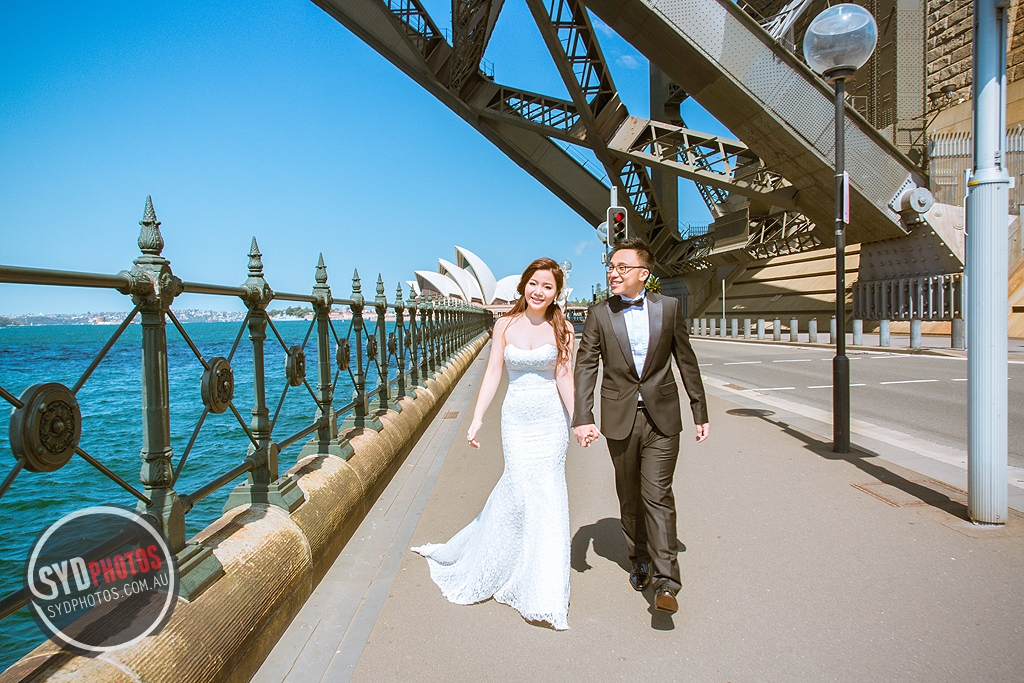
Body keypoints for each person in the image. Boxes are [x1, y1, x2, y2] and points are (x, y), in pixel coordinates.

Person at [412, 258, 575, 630]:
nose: (539, 291)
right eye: (534, 283)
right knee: (517, 490)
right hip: (516, 420)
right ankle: (502, 561)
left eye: (548, 286)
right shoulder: (504, 325)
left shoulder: (562, 327)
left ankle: (544, 588)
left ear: (556, 293)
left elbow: (565, 377)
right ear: (523, 285)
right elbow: (492, 374)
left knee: (549, 494)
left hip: (551, 423)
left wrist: (580, 419)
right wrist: (477, 418)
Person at [572, 237, 709, 615]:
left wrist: (699, 410)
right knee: (630, 496)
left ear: (644, 274)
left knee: (658, 495)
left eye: (622, 268)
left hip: (662, 418)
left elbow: (686, 360)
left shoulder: (669, 308)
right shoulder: (599, 314)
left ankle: (667, 583)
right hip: (621, 418)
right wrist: (583, 417)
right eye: (611, 268)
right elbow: (586, 366)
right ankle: (639, 557)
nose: (613, 274)